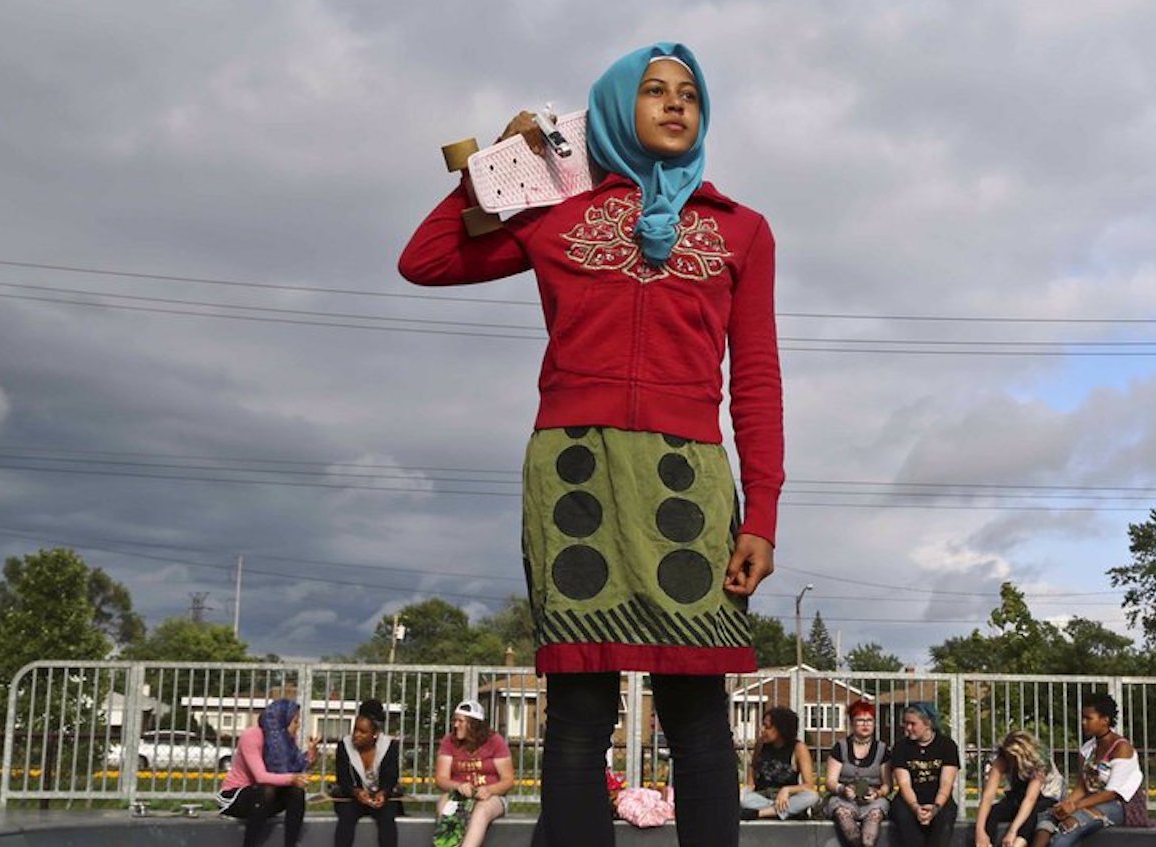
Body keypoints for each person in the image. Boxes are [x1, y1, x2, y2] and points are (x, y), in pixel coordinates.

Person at [399, 41, 783, 847]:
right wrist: (506, 165)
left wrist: (763, 516)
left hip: (687, 480)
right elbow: (426, 259)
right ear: (614, 108)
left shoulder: (742, 230)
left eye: (689, 93)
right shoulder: (558, 215)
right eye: (653, 91)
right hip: (575, 471)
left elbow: (755, 380)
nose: (676, 103)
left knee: (699, 717)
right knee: (578, 714)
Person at [1045, 693, 1150, 846]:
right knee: (1049, 817)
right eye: (1083, 717)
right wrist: (1066, 803)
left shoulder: (1121, 748)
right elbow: (1082, 785)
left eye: (1088, 718)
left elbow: (1112, 793)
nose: (1083, 722)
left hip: (1120, 805)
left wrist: (1075, 806)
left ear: (1105, 720)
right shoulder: (1088, 749)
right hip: (1090, 801)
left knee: (1070, 826)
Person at [218, 699, 318, 847]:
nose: (298, 726)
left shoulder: (286, 740)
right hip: (235, 798)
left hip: (264, 802)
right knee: (266, 790)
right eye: (295, 722)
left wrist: (310, 756)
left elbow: (292, 772)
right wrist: (292, 778)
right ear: (282, 720)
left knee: (296, 792)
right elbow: (261, 776)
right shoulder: (252, 736)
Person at [434, 699, 516, 847]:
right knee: (446, 807)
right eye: (455, 720)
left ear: (473, 724)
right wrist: (459, 786)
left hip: (491, 796)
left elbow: (508, 780)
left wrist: (489, 790)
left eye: (460, 721)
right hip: (459, 794)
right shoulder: (449, 741)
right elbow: (441, 778)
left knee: (481, 811)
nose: (455, 725)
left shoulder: (495, 741)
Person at [887, 703, 961, 847]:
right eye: (906, 723)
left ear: (928, 723)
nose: (908, 728)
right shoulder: (901, 747)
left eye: (913, 724)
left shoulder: (947, 746)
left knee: (943, 824)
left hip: (939, 800)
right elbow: (904, 784)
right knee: (907, 827)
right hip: (909, 801)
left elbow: (946, 783)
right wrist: (915, 808)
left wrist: (935, 807)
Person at [332, 699, 402, 847]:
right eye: (355, 729)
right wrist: (356, 792)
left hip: (380, 799)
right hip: (353, 798)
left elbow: (391, 776)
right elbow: (343, 778)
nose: (356, 735)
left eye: (363, 732)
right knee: (346, 817)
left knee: (387, 818)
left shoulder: (390, 746)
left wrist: (383, 793)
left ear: (375, 733)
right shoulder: (344, 746)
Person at [974, 730, 1062, 847]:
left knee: (1033, 814)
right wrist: (979, 830)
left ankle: (1018, 844)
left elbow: (1030, 799)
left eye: (1014, 758)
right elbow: (988, 795)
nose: (1011, 762)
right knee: (994, 811)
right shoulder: (1002, 759)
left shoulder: (1039, 760)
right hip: (1019, 793)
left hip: (1047, 796)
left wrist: (1012, 831)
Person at [823, 700, 890, 847]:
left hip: (873, 800)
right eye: (860, 720)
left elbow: (887, 785)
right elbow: (830, 781)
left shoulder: (882, 749)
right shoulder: (840, 747)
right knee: (843, 815)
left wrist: (877, 793)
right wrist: (842, 789)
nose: (865, 724)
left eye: (869, 720)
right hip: (844, 798)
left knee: (871, 826)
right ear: (852, 723)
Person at [739, 707, 818, 821]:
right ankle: (781, 812)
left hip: (787, 799)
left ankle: (761, 813)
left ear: (781, 729)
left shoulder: (798, 748)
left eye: (767, 727)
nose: (762, 730)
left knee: (812, 797)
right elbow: (753, 767)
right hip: (762, 797)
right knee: (741, 798)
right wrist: (748, 787)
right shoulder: (761, 744)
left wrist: (787, 790)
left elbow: (808, 786)